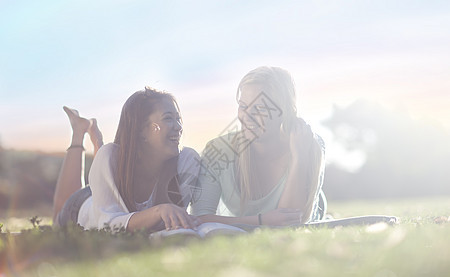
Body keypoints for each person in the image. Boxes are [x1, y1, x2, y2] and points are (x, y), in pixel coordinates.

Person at [191, 66, 326, 226]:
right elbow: (198, 220)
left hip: (314, 211)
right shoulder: (219, 151)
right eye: (243, 106)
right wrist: (261, 221)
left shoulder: (307, 144)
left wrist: (300, 158)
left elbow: (290, 222)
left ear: (284, 111)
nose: (247, 116)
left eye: (260, 108)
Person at [53, 87, 200, 232]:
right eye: (168, 118)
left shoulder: (186, 161)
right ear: (141, 129)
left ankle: (97, 140)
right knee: (56, 217)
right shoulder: (110, 157)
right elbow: (108, 225)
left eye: (178, 118)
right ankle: (79, 132)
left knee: (106, 158)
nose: (179, 127)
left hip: (106, 188)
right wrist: (158, 211)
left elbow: (179, 221)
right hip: (81, 207)